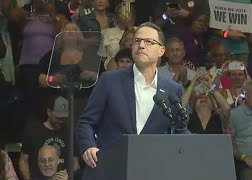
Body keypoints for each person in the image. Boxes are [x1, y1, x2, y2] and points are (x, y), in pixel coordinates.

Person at [77, 22, 188, 170]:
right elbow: (86, 122)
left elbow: (180, 131)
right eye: (137, 41)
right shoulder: (109, 80)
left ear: (161, 50)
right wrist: (88, 146)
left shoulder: (173, 90)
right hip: (110, 167)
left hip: (152, 169)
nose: (141, 45)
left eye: (148, 42)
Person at [19, 95, 75, 180]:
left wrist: (69, 177)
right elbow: (23, 160)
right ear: (49, 112)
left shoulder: (69, 132)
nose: (61, 121)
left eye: (63, 118)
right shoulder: (33, 131)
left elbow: (76, 160)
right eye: (58, 117)